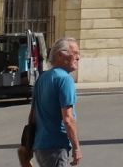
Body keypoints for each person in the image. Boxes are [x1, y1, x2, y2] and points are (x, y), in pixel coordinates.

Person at [31, 37, 81, 167]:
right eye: (75, 53)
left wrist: (28, 145)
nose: (78, 57)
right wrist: (76, 148)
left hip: (41, 146)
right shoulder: (65, 79)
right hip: (56, 146)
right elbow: (68, 119)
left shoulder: (42, 78)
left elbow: (33, 116)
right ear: (60, 55)